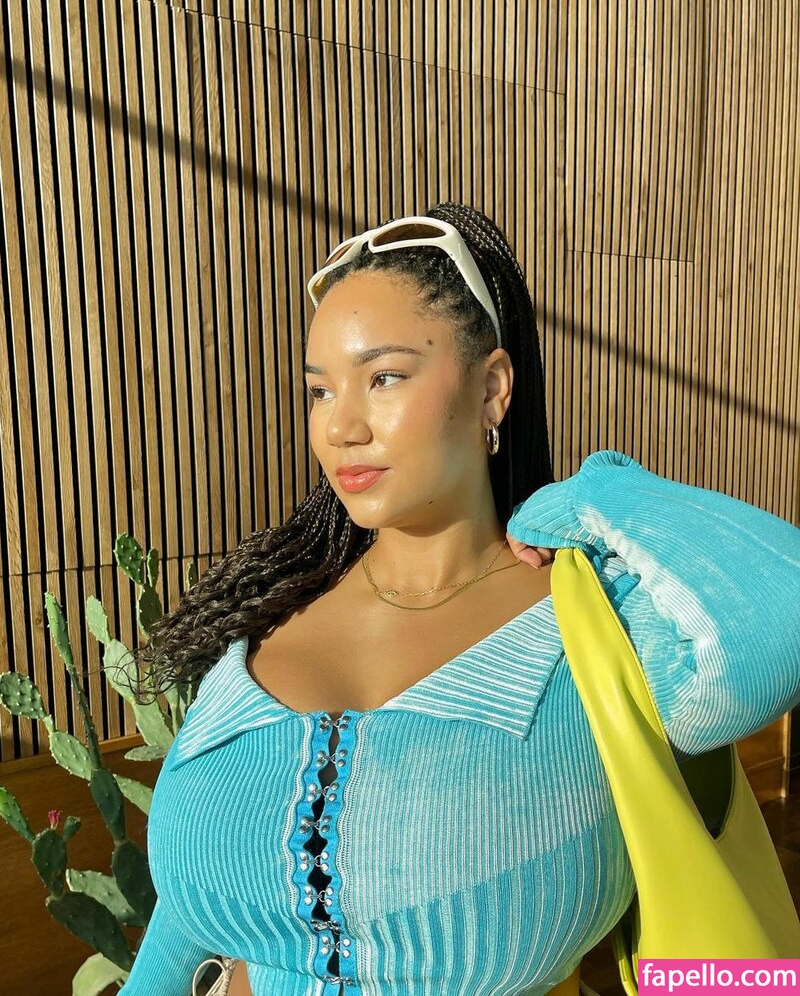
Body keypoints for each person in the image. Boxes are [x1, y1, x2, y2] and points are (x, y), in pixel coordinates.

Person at [119, 202, 800, 996]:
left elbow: (776, 617)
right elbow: (183, 926)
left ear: (493, 389)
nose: (341, 426)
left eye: (384, 377)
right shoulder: (265, 625)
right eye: (320, 391)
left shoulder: (595, 630)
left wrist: (591, 497)